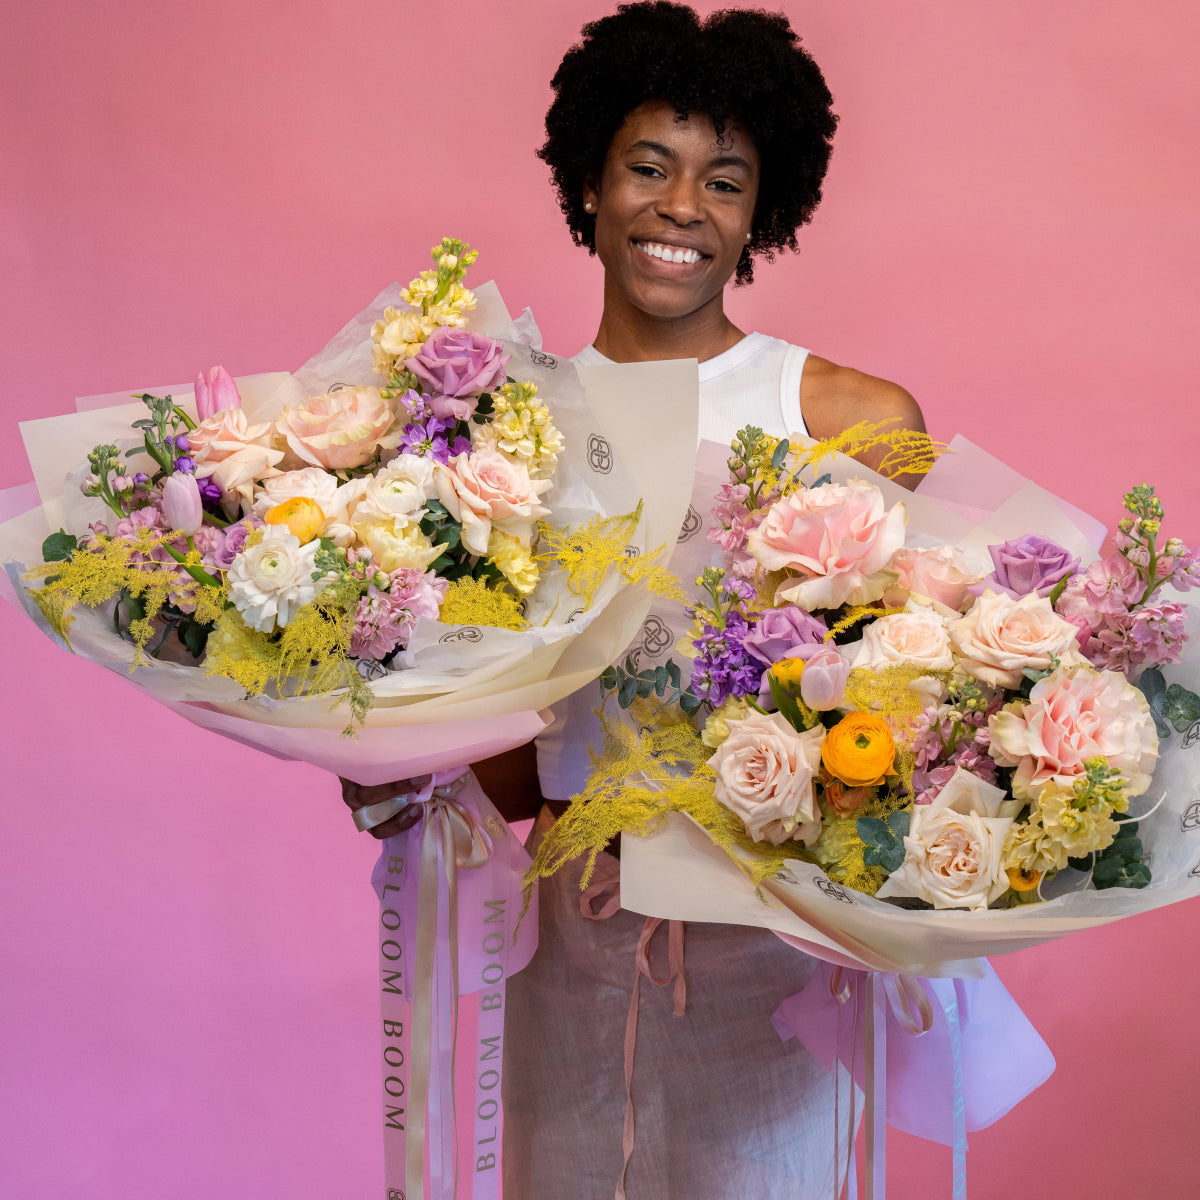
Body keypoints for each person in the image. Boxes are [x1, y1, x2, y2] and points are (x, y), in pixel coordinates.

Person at [343, 4, 927, 1196]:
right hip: (571, 932)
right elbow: (525, 764)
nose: (681, 207)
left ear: (761, 212)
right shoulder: (508, 431)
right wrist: (395, 753)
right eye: (649, 167)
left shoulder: (848, 420)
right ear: (590, 185)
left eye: (724, 181)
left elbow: (915, 705)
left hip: (774, 944)